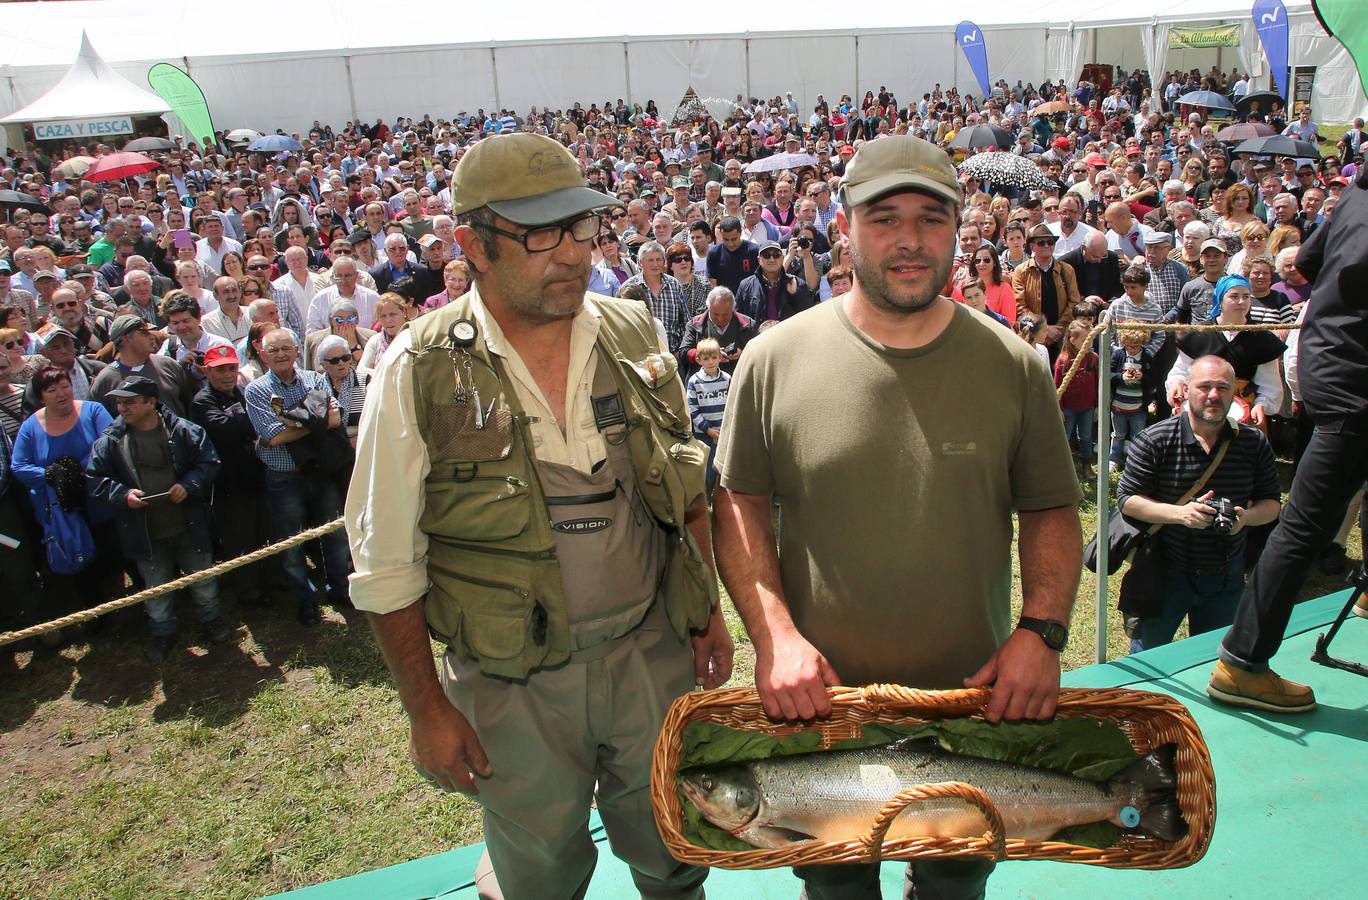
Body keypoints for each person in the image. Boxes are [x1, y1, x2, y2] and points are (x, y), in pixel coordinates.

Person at [346, 133, 730, 900]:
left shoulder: (633, 330)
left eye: (582, 227)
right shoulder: (417, 371)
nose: (572, 254)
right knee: (539, 874)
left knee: (675, 849)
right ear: (472, 244)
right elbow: (386, 566)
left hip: (650, 656)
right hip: (511, 682)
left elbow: (683, 487)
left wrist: (706, 614)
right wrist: (427, 709)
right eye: (541, 234)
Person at [712, 135, 1082, 900]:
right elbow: (739, 502)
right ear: (844, 227)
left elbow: (1050, 507)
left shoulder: (1013, 364)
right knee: (837, 894)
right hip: (820, 713)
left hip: (973, 710)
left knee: (954, 891)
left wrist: (1042, 632)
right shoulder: (773, 360)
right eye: (884, 218)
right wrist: (775, 636)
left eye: (931, 217)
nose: (910, 241)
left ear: (959, 228)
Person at [1209, 168, 1368, 713]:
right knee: (1306, 526)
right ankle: (1242, 661)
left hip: (1328, 363)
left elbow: (1304, 261)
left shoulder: (1357, 194)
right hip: (1355, 383)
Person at [1118, 356, 1282, 653]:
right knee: (1149, 658)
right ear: (1187, 389)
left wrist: (1246, 518)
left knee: (1213, 659)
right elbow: (1128, 501)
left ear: (1235, 393)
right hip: (1165, 571)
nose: (1213, 395)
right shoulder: (1155, 439)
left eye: (1223, 387)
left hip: (1226, 574)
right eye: (1204, 386)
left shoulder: (1253, 443)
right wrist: (1181, 514)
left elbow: (1272, 504)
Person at [87, 375, 227, 661]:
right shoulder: (111, 440)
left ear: (151, 402)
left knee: (202, 578)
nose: (122, 408)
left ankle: (211, 620)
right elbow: (95, 478)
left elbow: (209, 463)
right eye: (119, 402)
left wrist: (189, 485)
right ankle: (162, 632)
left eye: (130, 402)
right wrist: (122, 495)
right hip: (145, 531)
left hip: (188, 523)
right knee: (156, 587)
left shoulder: (184, 431)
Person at [244, 327, 352, 626]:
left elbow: (335, 418)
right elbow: (272, 436)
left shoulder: (316, 379)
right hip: (284, 478)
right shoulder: (257, 390)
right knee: (292, 545)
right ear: (263, 354)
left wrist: (292, 421)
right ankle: (305, 602)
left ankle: (340, 590)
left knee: (335, 535)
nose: (280, 354)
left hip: (321, 471)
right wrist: (312, 421)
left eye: (286, 348)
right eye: (273, 350)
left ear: (296, 350)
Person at [10, 365, 118, 632]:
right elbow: (19, 466)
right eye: (52, 389)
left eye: (65, 385)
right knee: (81, 565)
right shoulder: (30, 427)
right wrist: (50, 474)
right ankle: (96, 616)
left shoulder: (92, 411)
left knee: (116, 551)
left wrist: (79, 469)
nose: (61, 393)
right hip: (63, 509)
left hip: (100, 498)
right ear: (40, 396)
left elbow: (110, 442)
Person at [190, 344, 274, 609]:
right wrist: (257, 420)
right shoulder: (203, 401)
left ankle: (271, 582)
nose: (227, 374)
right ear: (206, 371)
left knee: (264, 531)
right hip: (228, 484)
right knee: (241, 539)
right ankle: (248, 592)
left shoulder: (240, 393)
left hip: (254, 475)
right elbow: (224, 430)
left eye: (231, 368)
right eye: (220, 369)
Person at [1166, 275, 1285, 428]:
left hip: (1244, 413)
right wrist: (1176, 383)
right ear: (1220, 300)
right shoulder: (1200, 334)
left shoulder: (1262, 338)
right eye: (1234, 296)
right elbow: (1181, 371)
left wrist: (1261, 405)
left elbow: (1270, 385)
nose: (1241, 301)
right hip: (1202, 406)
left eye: (1246, 296)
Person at [89, 315, 195, 418]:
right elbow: (96, 418)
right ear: (125, 339)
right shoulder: (106, 379)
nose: (152, 336)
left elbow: (191, 404)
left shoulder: (168, 365)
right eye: (144, 332)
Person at [1013, 223, 1079, 358]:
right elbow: (1020, 304)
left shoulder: (1067, 270)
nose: (1047, 246)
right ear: (1032, 246)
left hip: (1061, 337)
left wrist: (1058, 330)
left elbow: (1074, 302)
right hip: (1033, 336)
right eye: (1041, 243)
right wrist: (1044, 330)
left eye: (1050, 242)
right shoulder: (1021, 271)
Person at [1055, 319, 1099, 481]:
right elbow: (1057, 386)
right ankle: (1063, 467)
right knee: (1065, 437)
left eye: (1091, 339)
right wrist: (1058, 408)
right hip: (1068, 408)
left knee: (1086, 436)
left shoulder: (1093, 358)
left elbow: (1096, 384)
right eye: (1085, 339)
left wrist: (1096, 406)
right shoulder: (1063, 361)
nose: (1089, 343)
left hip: (1087, 407)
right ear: (1072, 340)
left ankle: (1086, 464)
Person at [1109, 326, 1156, 471]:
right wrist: (1121, 377)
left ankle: (1135, 461)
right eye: (1128, 346)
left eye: (1135, 347)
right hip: (1119, 405)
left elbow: (1154, 378)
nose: (1132, 350)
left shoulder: (1146, 356)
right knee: (1118, 434)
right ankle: (1114, 459)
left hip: (1138, 406)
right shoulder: (1118, 355)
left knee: (1138, 435)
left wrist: (1143, 377)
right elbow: (1108, 374)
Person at [686, 337, 729, 495]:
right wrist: (707, 429)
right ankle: (705, 497)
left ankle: (721, 498)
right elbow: (692, 408)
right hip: (704, 434)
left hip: (724, 432)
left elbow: (732, 405)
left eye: (714, 357)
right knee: (707, 469)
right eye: (706, 358)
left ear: (720, 357)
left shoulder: (727, 379)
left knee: (724, 467)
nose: (710, 362)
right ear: (699, 360)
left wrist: (726, 428)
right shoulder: (694, 382)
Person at [317, 334, 370, 444]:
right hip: (331, 449)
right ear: (323, 364)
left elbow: (376, 419)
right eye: (335, 360)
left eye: (345, 358)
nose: (341, 363)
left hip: (362, 445)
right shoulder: (317, 387)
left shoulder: (366, 381)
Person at [952, 246, 1017, 324]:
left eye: (986, 260)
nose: (981, 264)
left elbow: (1010, 321)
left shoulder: (1004, 288)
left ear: (995, 263)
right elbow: (953, 311)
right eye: (978, 261)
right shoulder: (963, 284)